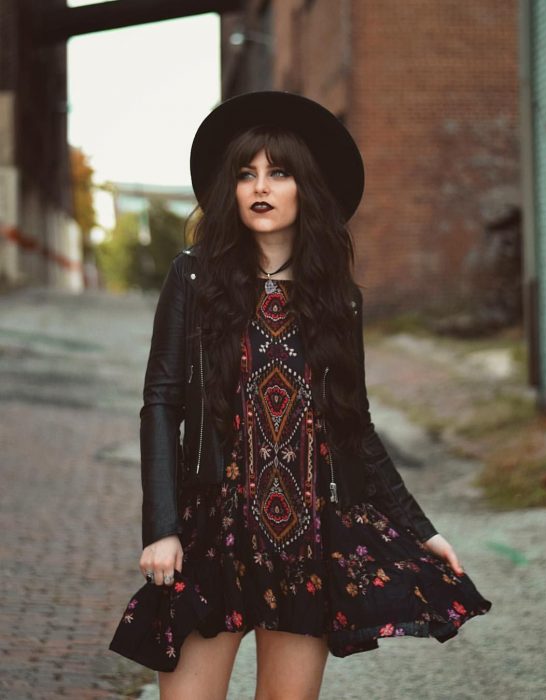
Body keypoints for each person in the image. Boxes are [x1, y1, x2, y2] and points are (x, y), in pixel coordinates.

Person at [110, 91, 492, 699]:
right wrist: (160, 528)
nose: (261, 187)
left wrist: (421, 530)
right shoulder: (193, 277)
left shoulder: (337, 299)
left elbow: (355, 427)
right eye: (246, 174)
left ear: (304, 189)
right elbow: (162, 403)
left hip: (305, 542)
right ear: (229, 191)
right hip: (213, 533)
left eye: (278, 172)